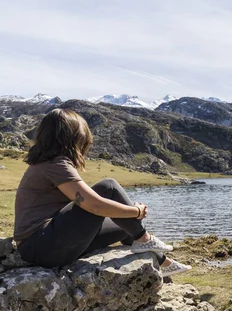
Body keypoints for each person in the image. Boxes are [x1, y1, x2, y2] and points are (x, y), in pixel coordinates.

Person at [13, 108, 191, 277]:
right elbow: (94, 205)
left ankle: (162, 262)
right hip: (39, 245)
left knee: (125, 226)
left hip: (44, 244)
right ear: (73, 138)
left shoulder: (48, 163)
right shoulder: (56, 165)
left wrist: (127, 215)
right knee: (109, 187)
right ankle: (145, 238)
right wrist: (136, 211)